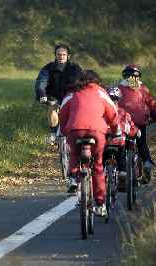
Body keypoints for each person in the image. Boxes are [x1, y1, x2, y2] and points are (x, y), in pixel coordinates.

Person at [59, 69, 120, 216]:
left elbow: (62, 112)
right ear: (97, 80)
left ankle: (73, 178)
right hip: (96, 131)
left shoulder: (72, 93)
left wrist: (63, 130)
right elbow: (113, 113)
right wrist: (116, 130)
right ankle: (100, 204)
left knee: (74, 153)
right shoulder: (101, 92)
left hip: (75, 130)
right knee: (98, 166)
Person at [117, 64, 156, 184]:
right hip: (140, 121)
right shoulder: (143, 89)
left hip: (124, 122)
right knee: (142, 144)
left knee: (122, 145)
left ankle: (122, 171)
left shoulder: (119, 88)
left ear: (124, 76)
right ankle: (146, 162)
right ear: (138, 76)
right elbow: (153, 105)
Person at [34, 44, 82, 145]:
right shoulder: (48, 68)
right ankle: (53, 133)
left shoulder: (75, 68)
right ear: (55, 55)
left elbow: (81, 82)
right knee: (51, 106)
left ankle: (76, 133)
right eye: (59, 54)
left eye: (64, 54)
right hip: (53, 96)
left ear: (68, 56)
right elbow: (40, 82)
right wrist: (42, 94)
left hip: (70, 96)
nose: (61, 56)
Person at [105, 86, 140, 187]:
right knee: (122, 153)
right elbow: (131, 129)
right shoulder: (124, 113)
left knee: (100, 159)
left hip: (104, 142)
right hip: (119, 142)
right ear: (119, 99)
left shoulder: (101, 112)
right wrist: (136, 132)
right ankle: (122, 171)